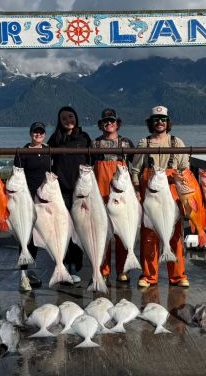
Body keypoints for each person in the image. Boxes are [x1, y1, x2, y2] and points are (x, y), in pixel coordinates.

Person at [131, 105, 190, 288]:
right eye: (156, 119)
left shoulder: (177, 143)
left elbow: (185, 171)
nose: (160, 122)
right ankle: (148, 276)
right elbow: (135, 171)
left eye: (163, 119)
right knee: (149, 236)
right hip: (150, 196)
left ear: (167, 122)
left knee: (175, 236)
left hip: (171, 196)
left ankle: (178, 276)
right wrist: (137, 192)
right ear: (151, 122)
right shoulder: (143, 143)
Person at [47, 106, 92, 283]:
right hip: (61, 191)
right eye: (64, 118)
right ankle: (62, 264)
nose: (68, 120)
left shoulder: (84, 138)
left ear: (76, 118)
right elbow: (47, 162)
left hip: (81, 191)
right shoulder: (55, 138)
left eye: (71, 116)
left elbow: (92, 161)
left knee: (79, 229)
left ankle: (76, 266)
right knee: (62, 229)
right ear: (60, 121)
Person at [91, 108, 135, 283]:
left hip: (121, 194)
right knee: (103, 232)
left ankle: (123, 270)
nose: (109, 124)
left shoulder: (126, 143)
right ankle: (103, 270)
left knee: (122, 231)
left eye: (112, 121)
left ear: (117, 123)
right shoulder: (94, 144)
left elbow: (137, 167)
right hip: (101, 194)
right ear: (101, 125)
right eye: (105, 121)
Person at [13, 121, 52, 292]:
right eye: (35, 132)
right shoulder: (22, 152)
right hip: (25, 200)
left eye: (41, 132)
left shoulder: (48, 151)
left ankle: (29, 272)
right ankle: (22, 275)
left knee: (36, 238)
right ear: (30, 133)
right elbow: (17, 176)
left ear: (44, 134)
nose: (38, 134)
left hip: (42, 199)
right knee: (25, 237)